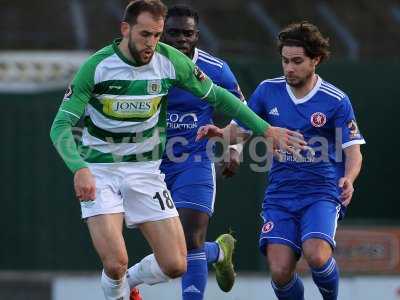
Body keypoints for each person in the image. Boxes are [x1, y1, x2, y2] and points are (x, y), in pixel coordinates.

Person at [49, 0, 306, 299]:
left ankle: (129, 282)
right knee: (116, 262)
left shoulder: (171, 61)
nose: (152, 43)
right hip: (100, 171)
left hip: (146, 170)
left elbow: (222, 98)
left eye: (157, 35)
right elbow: (60, 126)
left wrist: (265, 129)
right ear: (125, 29)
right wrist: (80, 168)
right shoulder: (97, 67)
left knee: (176, 263)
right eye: (146, 34)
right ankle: (119, 286)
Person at [197, 21, 365, 300]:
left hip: (320, 191)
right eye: (285, 61)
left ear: (316, 60)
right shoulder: (267, 91)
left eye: (297, 61)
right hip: (281, 194)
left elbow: (353, 151)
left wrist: (349, 177)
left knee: (316, 256)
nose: (289, 68)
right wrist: (220, 134)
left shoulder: (335, 100)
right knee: (279, 270)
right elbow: (239, 131)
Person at [156, 5, 242, 300]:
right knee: (170, 251)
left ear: (197, 36)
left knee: (189, 237)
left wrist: (234, 147)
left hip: (193, 160)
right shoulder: (146, 66)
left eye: (187, 33)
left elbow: (241, 111)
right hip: (150, 165)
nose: (181, 39)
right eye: (174, 32)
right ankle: (219, 251)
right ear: (161, 33)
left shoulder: (215, 69)